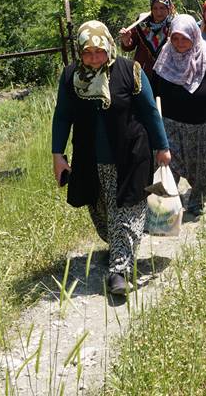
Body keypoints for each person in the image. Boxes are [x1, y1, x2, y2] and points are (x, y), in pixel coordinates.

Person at [52, 21, 171, 296]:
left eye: (99, 51)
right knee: (103, 215)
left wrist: (161, 146)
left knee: (126, 213)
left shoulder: (130, 71)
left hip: (130, 156)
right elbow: (62, 116)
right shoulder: (72, 77)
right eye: (88, 52)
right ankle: (120, 248)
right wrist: (58, 154)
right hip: (90, 160)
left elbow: (150, 111)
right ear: (80, 52)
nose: (94, 58)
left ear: (109, 47)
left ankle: (119, 272)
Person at [152, 14, 206, 217]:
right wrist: (152, 118)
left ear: (194, 35)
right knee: (167, 163)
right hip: (170, 123)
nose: (179, 43)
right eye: (175, 38)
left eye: (184, 38)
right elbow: (153, 88)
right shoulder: (165, 54)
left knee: (201, 166)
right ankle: (165, 207)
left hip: (203, 124)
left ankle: (197, 201)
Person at [118, 0, 175, 84]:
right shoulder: (142, 23)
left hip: (167, 76)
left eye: (162, 8)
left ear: (168, 8)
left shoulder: (175, 24)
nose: (158, 12)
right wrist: (126, 40)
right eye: (155, 8)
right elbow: (130, 45)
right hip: (143, 75)